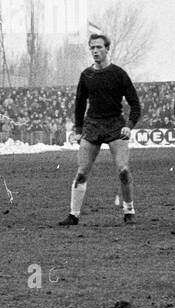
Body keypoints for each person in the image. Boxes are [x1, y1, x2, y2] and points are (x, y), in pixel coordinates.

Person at [58, 33, 142, 226]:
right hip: (93, 126)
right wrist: (78, 129)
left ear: (107, 49)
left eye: (99, 47)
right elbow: (79, 104)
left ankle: (129, 210)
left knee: (123, 170)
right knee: (81, 173)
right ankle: (73, 214)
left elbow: (135, 105)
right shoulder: (86, 75)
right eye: (92, 48)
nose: (95, 51)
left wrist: (129, 126)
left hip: (115, 126)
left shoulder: (119, 74)